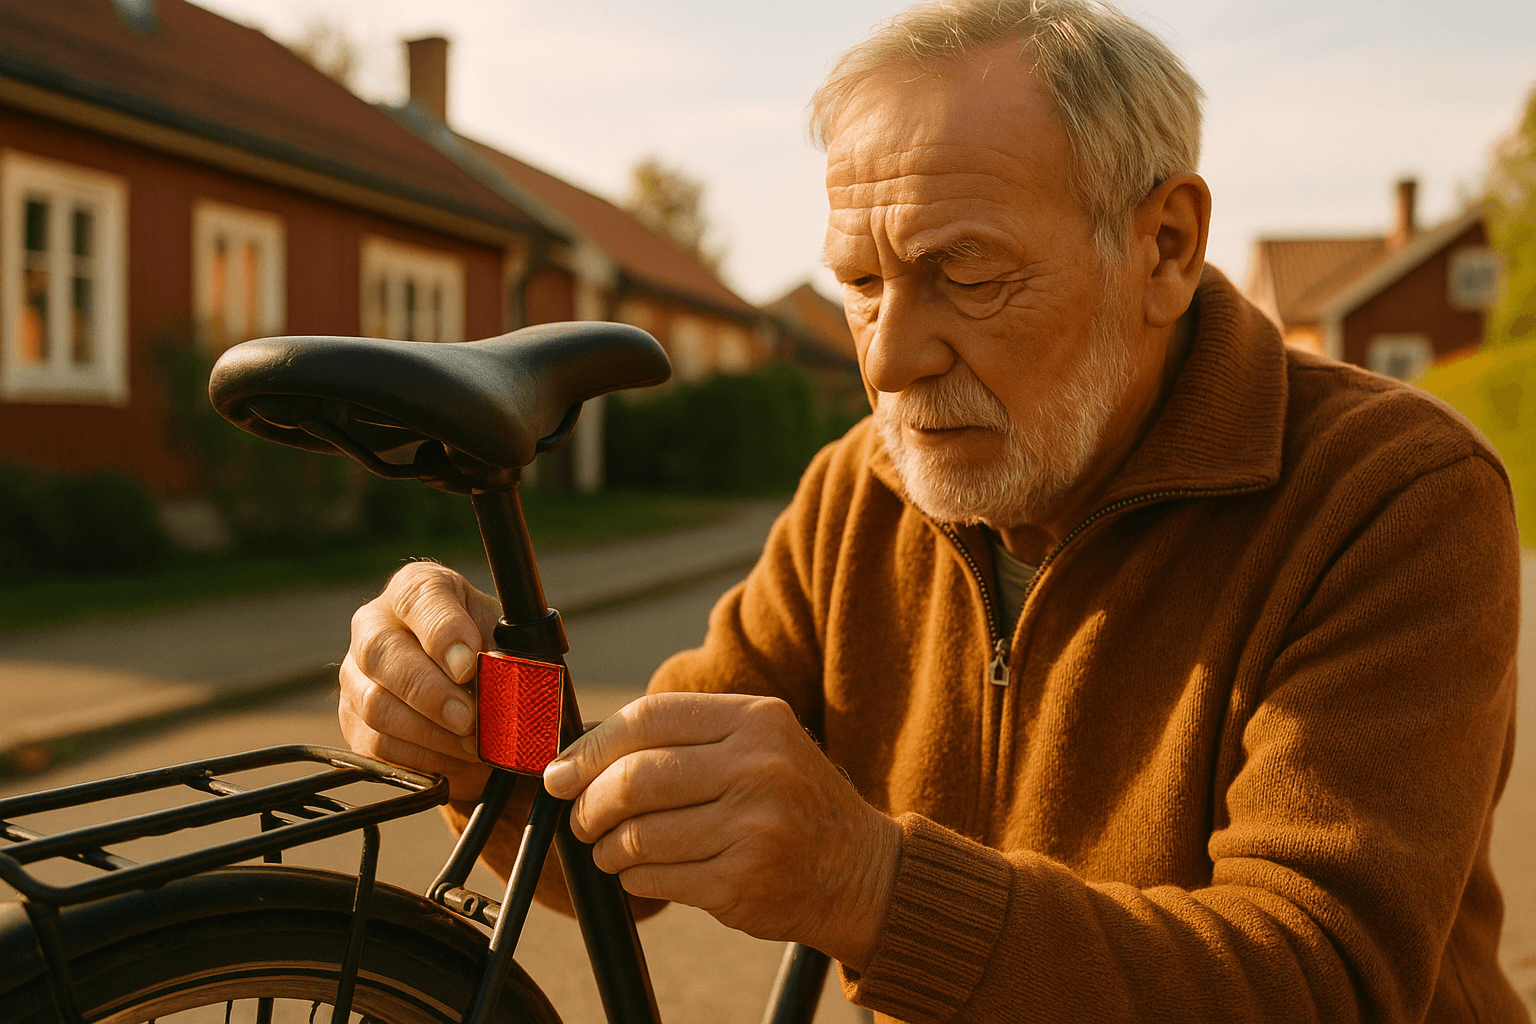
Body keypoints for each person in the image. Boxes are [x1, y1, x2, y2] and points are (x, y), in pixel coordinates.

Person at [339, 1, 1528, 1020]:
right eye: (860, 284)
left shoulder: (1392, 497)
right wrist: (480, 718)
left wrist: (869, 885)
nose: (891, 360)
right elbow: (624, 837)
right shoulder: (861, 490)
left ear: (1163, 246)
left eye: (965, 273)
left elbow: (1320, 980)